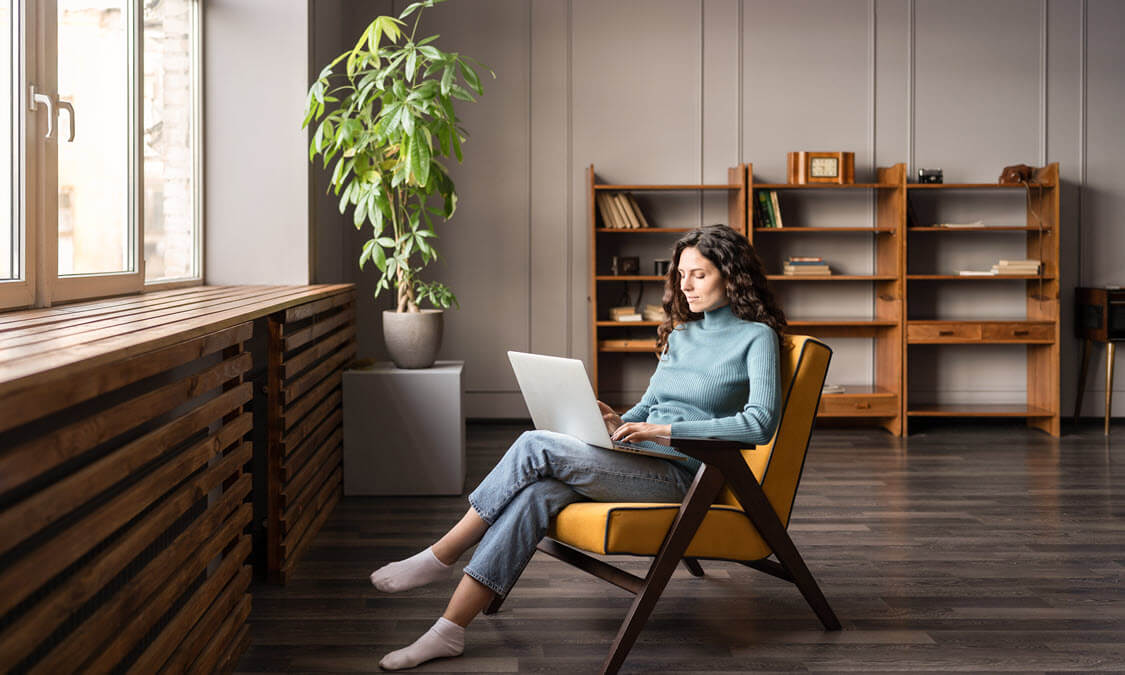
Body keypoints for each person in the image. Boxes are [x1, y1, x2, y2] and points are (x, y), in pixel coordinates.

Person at [371, 224, 788, 670]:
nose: (684, 285)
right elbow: (651, 405)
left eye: (698, 275)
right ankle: (448, 631)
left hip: (683, 474)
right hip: (637, 456)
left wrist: (659, 432)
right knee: (536, 494)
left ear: (731, 275)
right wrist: (618, 421)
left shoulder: (755, 337)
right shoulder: (681, 335)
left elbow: (759, 424)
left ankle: (442, 554)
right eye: (680, 273)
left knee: (535, 445)